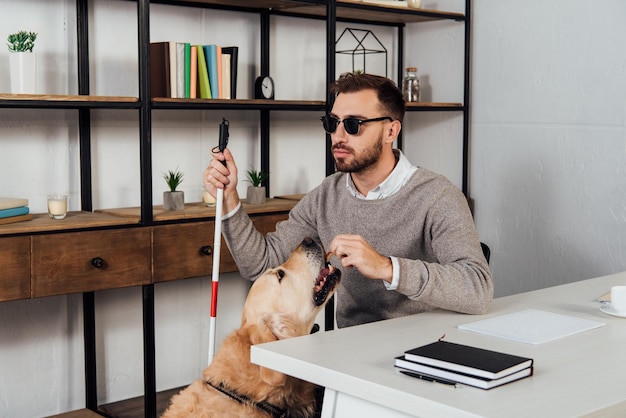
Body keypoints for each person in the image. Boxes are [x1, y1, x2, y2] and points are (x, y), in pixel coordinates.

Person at [203, 73, 493, 329]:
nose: (338, 136)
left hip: (423, 351)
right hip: (350, 354)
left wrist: (387, 267)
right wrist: (229, 200)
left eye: (353, 124)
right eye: (332, 122)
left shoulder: (437, 196)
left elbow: (477, 288)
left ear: (391, 130)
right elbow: (262, 264)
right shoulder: (326, 195)